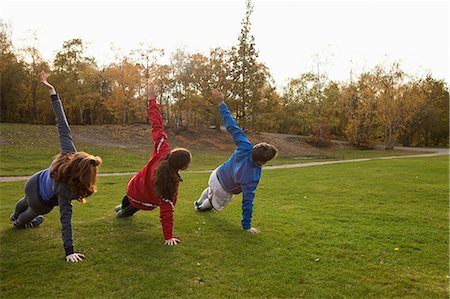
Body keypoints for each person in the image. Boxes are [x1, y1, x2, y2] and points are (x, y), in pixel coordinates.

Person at [10, 71, 102, 262]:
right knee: (28, 215)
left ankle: (13, 214)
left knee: (24, 200)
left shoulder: (68, 152)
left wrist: (53, 93)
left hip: (32, 182)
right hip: (40, 203)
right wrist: (69, 251)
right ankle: (18, 222)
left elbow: (63, 124)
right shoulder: (66, 189)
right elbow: (65, 219)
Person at [115, 82, 191, 246]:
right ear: (182, 168)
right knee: (126, 211)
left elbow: (157, 124)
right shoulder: (170, 184)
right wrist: (168, 236)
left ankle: (121, 207)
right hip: (142, 200)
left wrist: (152, 100)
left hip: (133, 186)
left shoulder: (162, 149)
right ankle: (121, 212)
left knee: (129, 196)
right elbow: (166, 211)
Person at [194, 89, 278, 233]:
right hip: (224, 189)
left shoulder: (245, 145)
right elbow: (247, 201)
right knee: (212, 204)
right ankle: (200, 207)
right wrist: (247, 226)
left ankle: (199, 201)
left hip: (216, 175)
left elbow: (232, 125)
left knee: (210, 189)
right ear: (263, 162)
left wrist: (221, 103)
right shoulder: (253, 176)